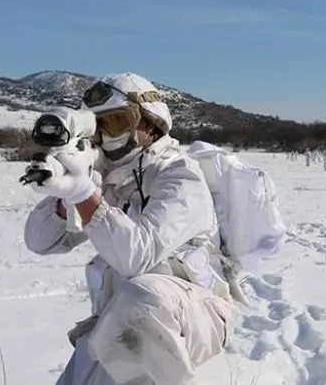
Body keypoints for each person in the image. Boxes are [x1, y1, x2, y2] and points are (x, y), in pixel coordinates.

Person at [23, 72, 235, 385]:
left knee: (143, 300)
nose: (106, 135)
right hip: (122, 317)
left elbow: (138, 258)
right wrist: (65, 196)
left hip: (196, 313)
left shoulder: (179, 175)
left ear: (150, 123)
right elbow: (38, 240)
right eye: (98, 126)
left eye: (116, 122)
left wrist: (84, 195)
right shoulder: (109, 178)